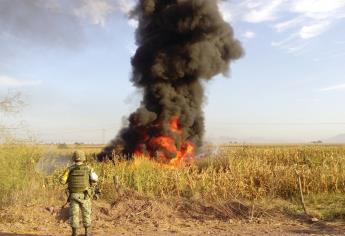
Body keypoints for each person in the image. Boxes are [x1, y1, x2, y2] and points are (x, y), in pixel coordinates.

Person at [59, 150, 98, 236]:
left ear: (74, 158)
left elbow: (62, 181)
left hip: (73, 195)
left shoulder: (69, 169)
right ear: (84, 158)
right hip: (85, 196)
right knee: (86, 214)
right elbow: (95, 179)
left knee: (74, 215)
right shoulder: (89, 168)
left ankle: (74, 234)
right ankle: (87, 233)